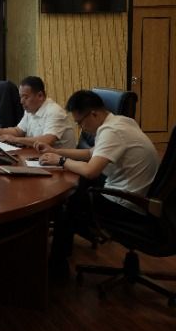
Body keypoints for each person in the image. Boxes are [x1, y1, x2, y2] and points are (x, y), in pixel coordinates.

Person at [37, 89, 159, 277]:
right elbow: (90, 153)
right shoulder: (121, 122)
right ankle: (69, 244)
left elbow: (91, 171)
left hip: (127, 203)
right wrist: (55, 151)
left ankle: (57, 267)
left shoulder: (112, 131)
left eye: (80, 122)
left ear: (93, 114)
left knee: (67, 202)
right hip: (138, 196)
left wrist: (60, 161)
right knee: (76, 192)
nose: (81, 128)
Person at [0, 76, 76, 148]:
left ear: (40, 96)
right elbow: (18, 131)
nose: (21, 101)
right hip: (40, 157)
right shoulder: (30, 110)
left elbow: (47, 140)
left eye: (25, 97)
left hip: (62, 162)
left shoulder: (54, 111)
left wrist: (15, 140)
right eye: (21, 97)